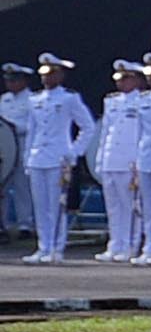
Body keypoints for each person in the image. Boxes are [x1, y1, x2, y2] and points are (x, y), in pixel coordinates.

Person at [16, 56, 94, 264]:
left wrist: (74, 152)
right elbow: (32, 131)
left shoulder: (69, 98)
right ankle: (43, 246)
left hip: (59, 158)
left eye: (51, 74)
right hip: (38, 157)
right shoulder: (35, 99)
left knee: (56, 205)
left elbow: (88, 126)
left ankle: (56, 248)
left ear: (60, 75)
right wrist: (27, 157)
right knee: (40, 206)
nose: (46, 78)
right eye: (44, 74)